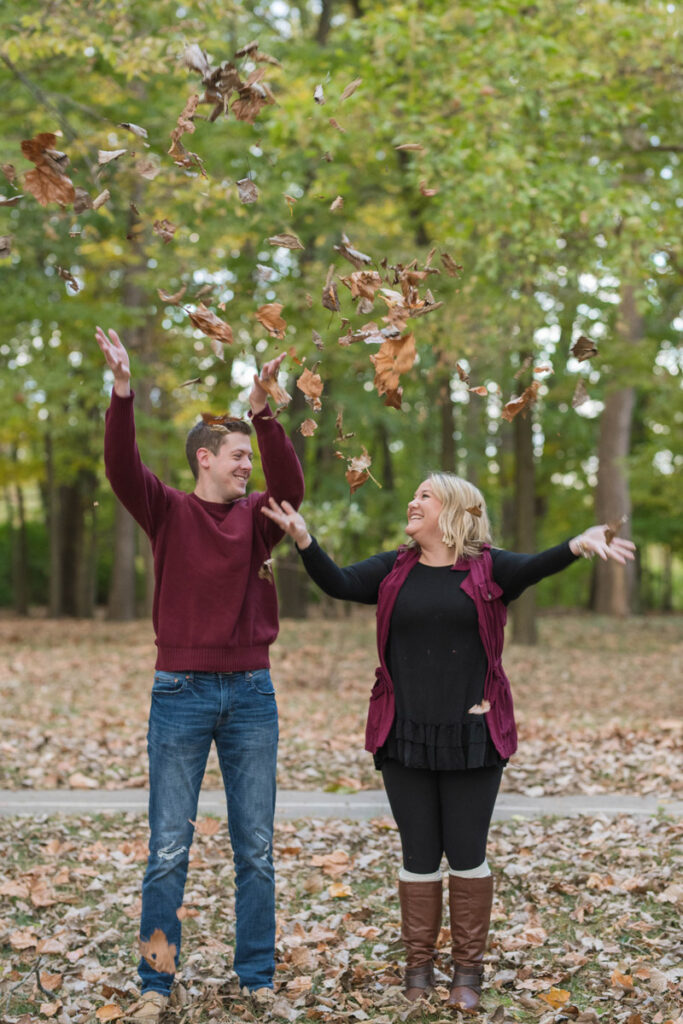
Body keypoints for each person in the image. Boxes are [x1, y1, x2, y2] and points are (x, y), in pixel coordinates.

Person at [262, 474, 635, 1012]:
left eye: (425, 496)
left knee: (466, 854)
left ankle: (467, 972)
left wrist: (577, 544)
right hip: (404, 732)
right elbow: (340, 583)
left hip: (473, 735)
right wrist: (303, 538)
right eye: (413, 495)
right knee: (417, 855)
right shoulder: (394, 569)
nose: (412, 502)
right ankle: (418, 970)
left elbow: (536, 565)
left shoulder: (489, 568)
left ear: (455, 510)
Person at [94, 326, 305, 1023]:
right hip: (179, 693)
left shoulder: (258, 520)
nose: (249, 468)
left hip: (250, 694)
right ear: (205, 459)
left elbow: (294, 485)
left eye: (251, 457)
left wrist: (264, 410)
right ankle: (156, 986)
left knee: (256, 851)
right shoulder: (169, 512)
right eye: (239, 456)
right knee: (166, 851)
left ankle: (256, 980)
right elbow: (123, 469)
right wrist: (122, 392)